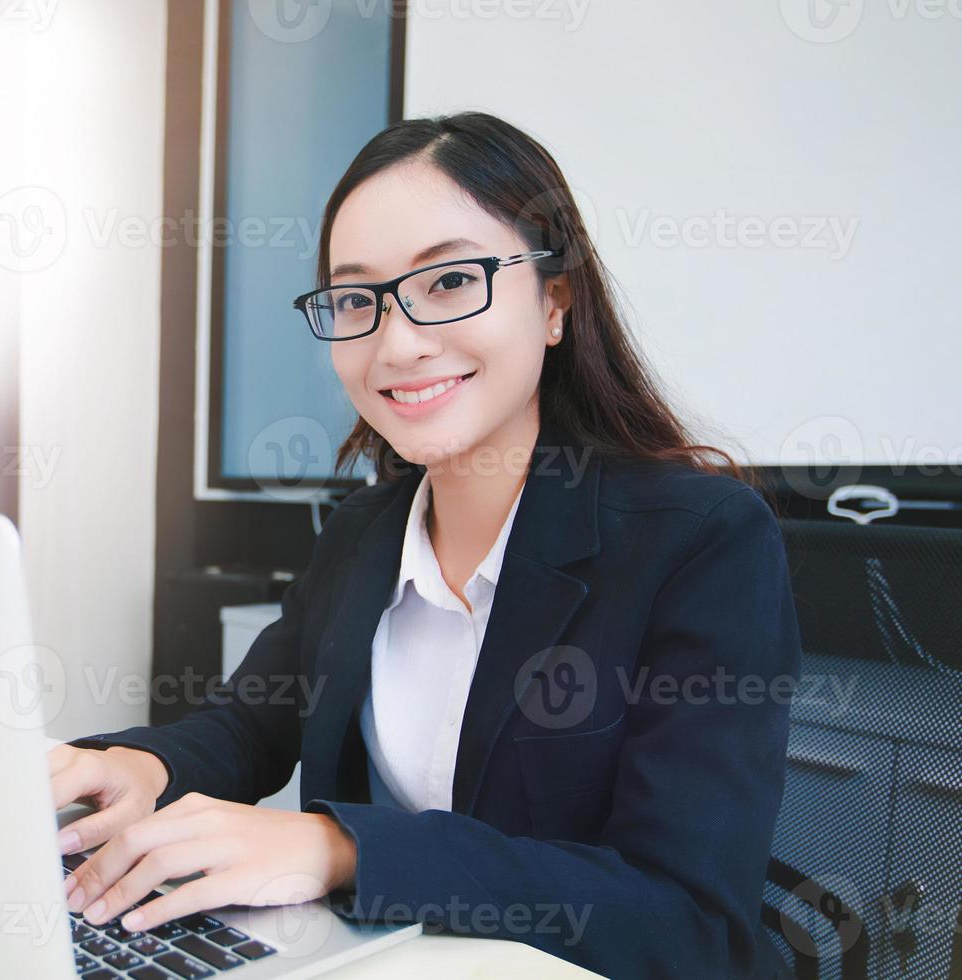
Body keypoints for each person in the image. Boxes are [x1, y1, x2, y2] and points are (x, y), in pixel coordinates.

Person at [47, 112, 800, 979]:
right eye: (358, 299)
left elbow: (688, 918)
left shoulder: (701, 542)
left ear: (555, 302)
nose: (396, 343)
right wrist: (143, 764)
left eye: (448, 282)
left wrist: (344, 850)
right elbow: (253, 723)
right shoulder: (368, 529)